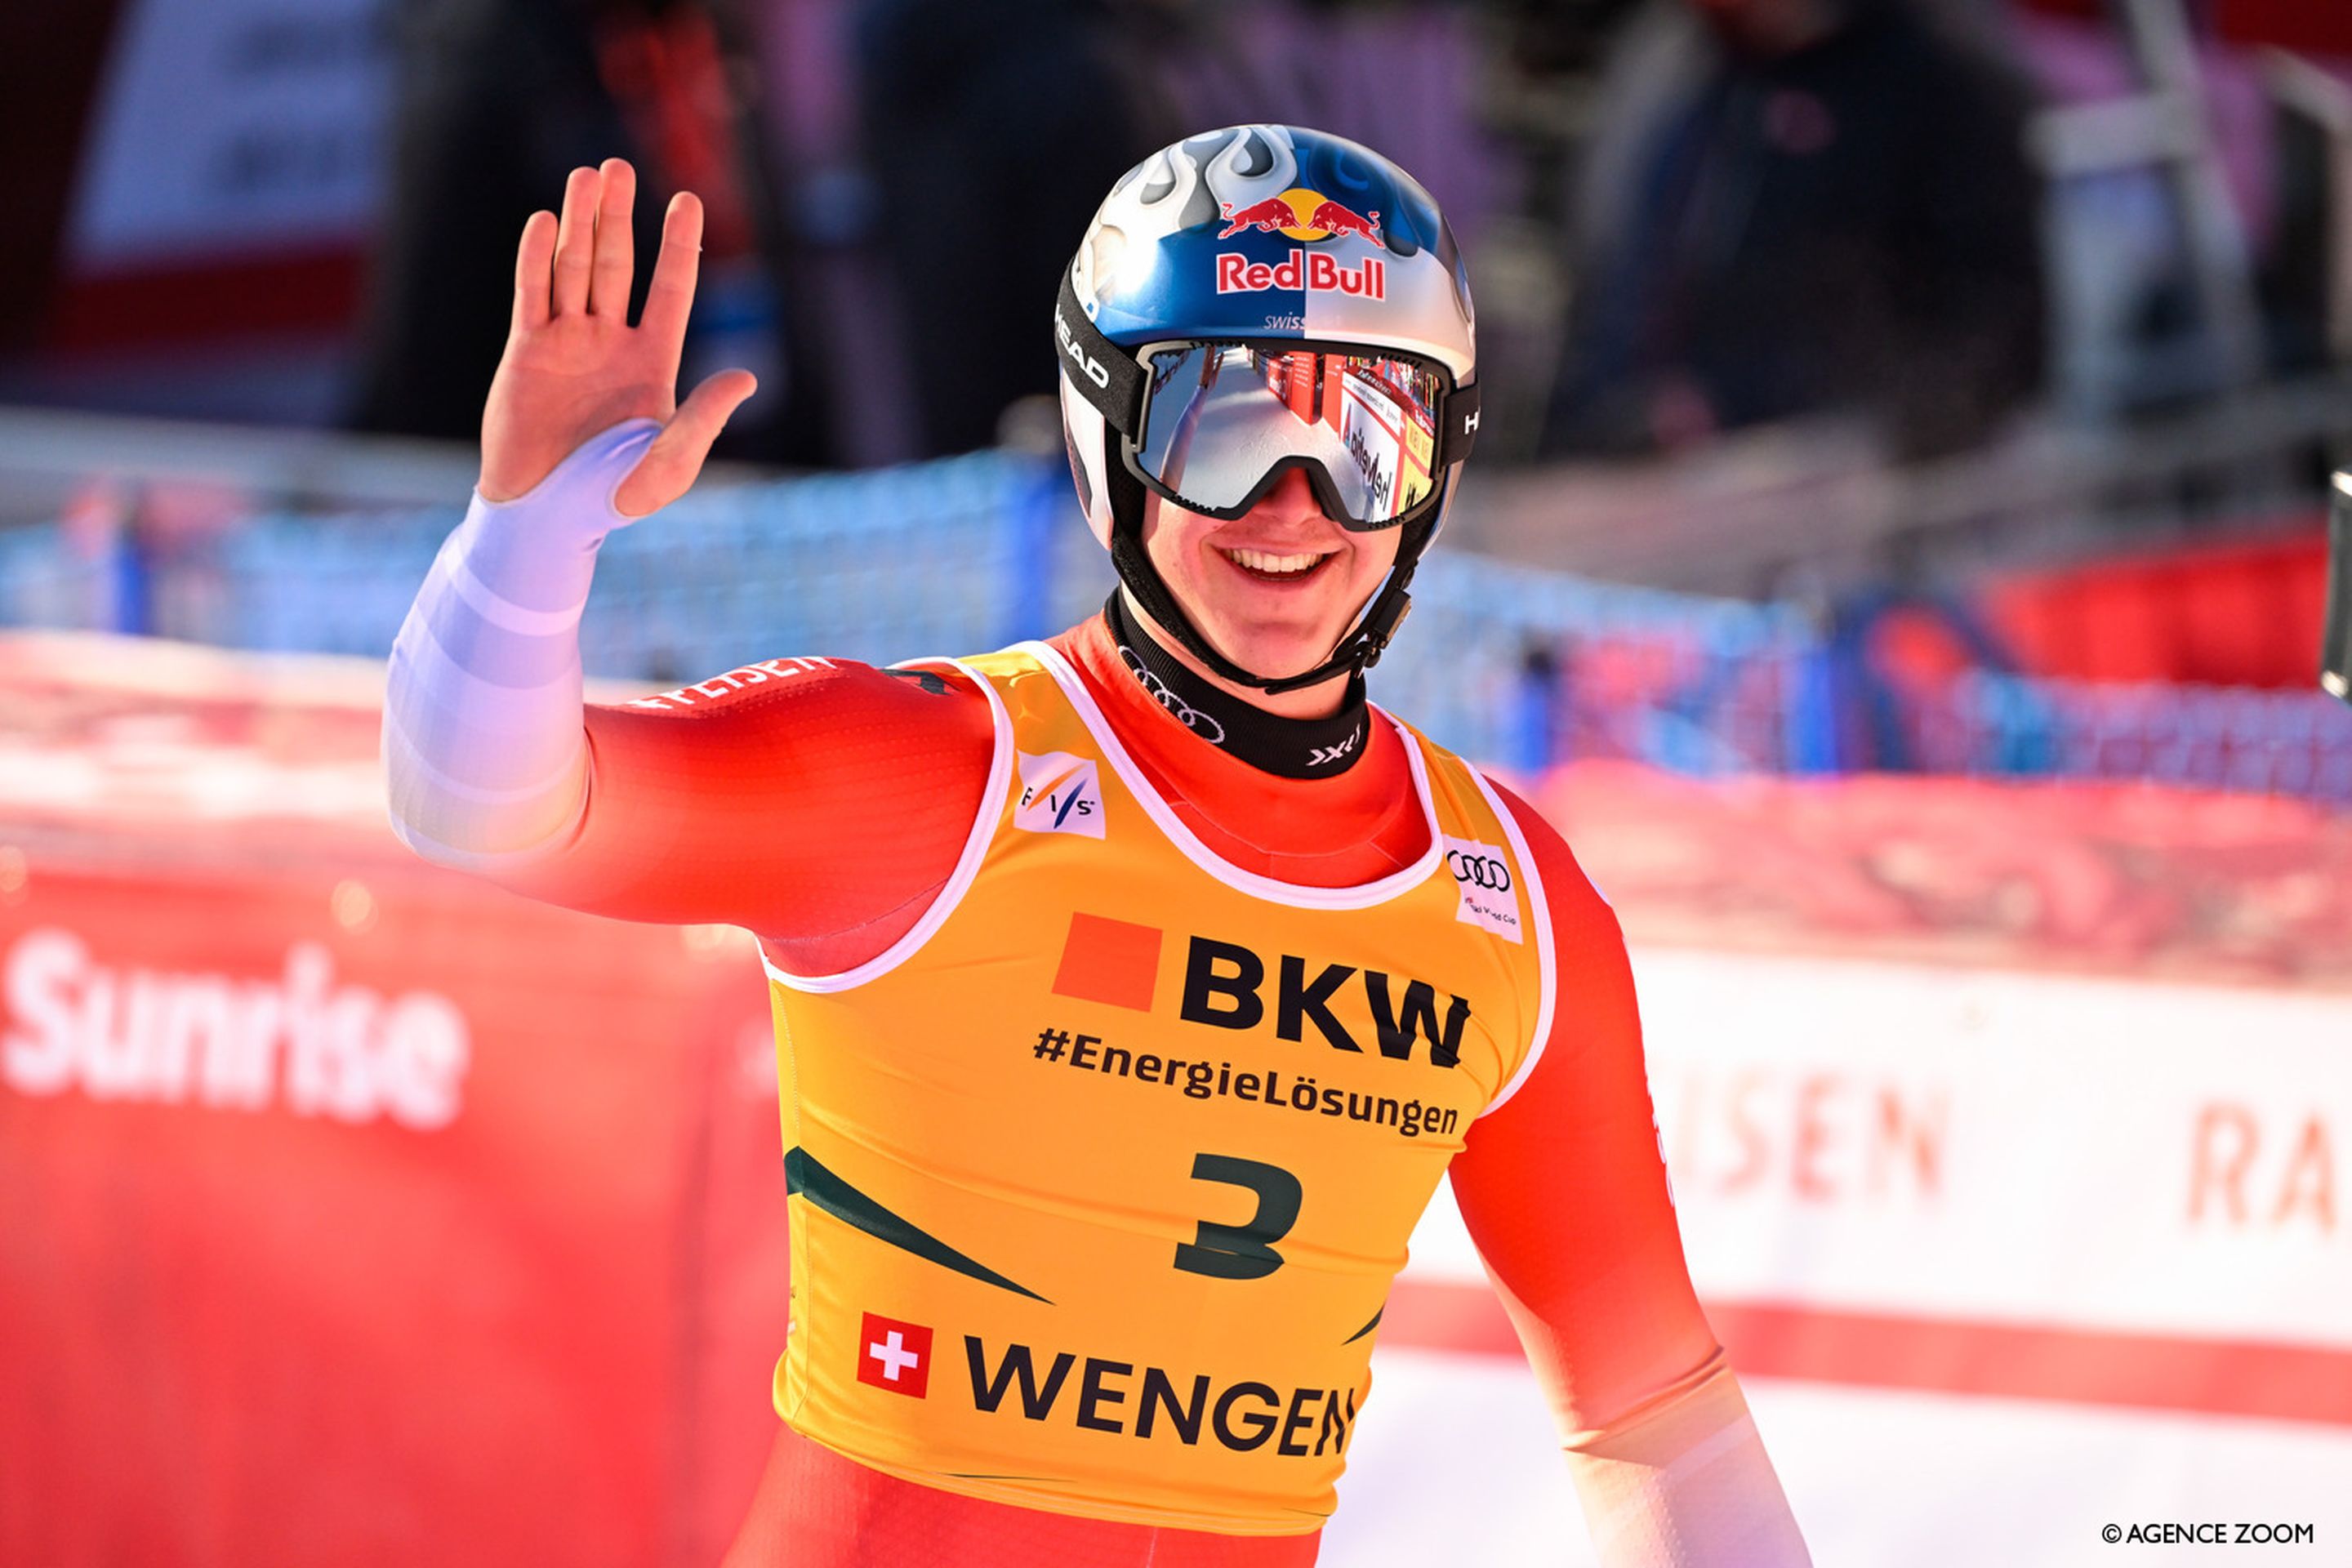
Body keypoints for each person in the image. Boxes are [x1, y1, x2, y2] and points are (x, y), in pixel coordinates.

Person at [383, 127, 1811, 1566]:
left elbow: (1652, 1422)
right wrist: (529, 532)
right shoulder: (926, 779)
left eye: (1365, 435)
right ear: (1107, 436)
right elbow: (476, 805)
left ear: (1437, 468)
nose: (1297, 506)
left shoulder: (1515, 908)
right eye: (1228, 423)